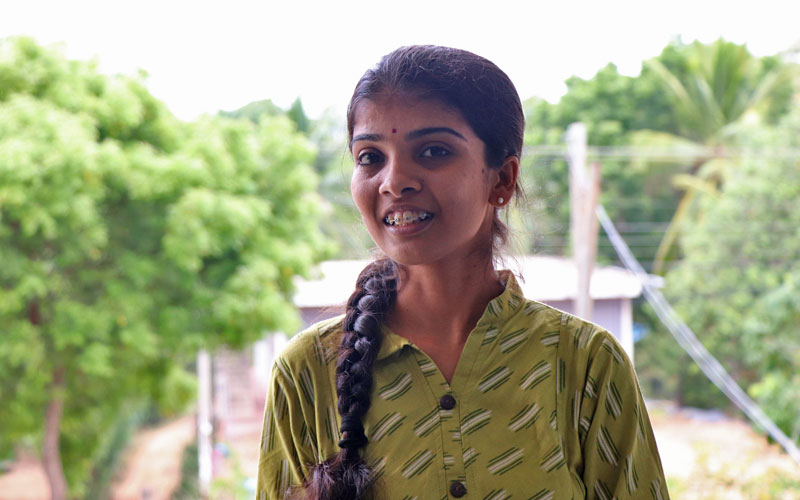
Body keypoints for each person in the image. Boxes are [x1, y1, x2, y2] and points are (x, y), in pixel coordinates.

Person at [257, 45, 669, 500]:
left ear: (503, 180)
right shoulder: (306, 374)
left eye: (433, 151)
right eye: (370, 156)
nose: (394, 181)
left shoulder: (584, 364)